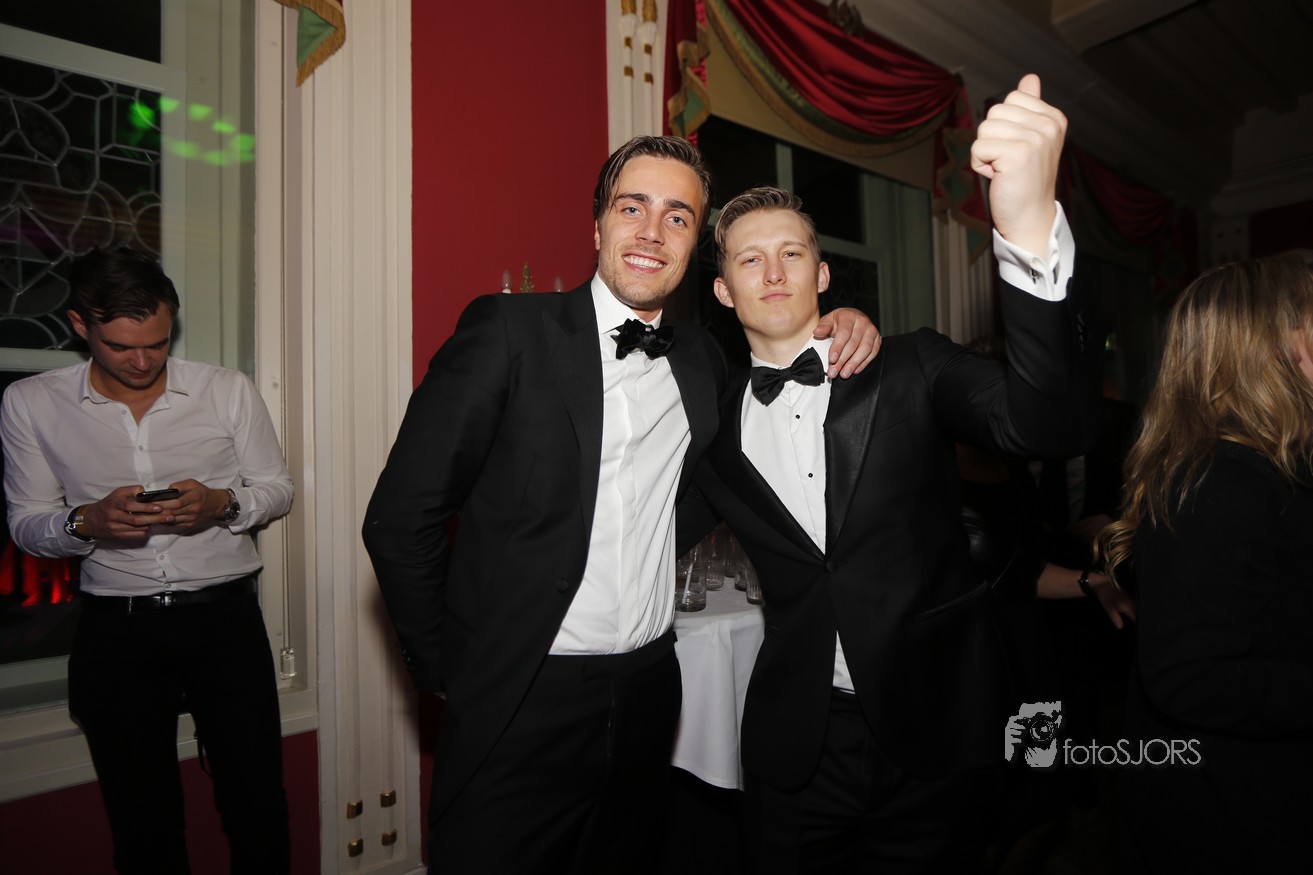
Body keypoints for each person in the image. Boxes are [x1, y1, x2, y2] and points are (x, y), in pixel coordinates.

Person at [361, 135, 879, 873]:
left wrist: (842, 323)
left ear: (694, 245)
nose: (651, 232)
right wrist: (451, 667)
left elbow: (724, 468)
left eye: (677, 217)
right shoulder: (509, 333)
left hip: (647, 690)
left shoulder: (701, 360)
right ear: (597, 226)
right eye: (632, 208)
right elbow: (400, 517)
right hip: (519, 696)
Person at [677, 75, 1103, 871]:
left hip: (935, 732)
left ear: (822, 274)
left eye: (792, 253)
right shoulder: (709, 426)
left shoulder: (913, 366)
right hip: (797, 747)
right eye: (749, 259)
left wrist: (1025, 232)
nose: (773, 272)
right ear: (723, 290)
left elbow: (1047, 425)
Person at [0, 247, 295, 874]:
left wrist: (222, 503)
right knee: (142, 823)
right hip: (117, 631)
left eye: (157, 344)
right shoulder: (31, 402)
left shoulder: (225, 390)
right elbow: (27, 524)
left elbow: (276, 490)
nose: (142, 361)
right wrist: (86, 522)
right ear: (80, 326)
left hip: (225, 624)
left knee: (257, 806)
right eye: (120, 346)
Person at [1096, 249, 1313, 872]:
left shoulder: (1274, 466)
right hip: (1231, 810)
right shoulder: (1223, 482)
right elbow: (1191, 677)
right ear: (1270, 348)